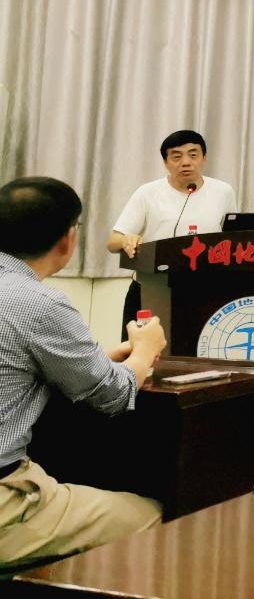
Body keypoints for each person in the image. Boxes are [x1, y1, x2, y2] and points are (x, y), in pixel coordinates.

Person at [0, 176, 168, 570]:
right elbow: (114, 395)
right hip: (6, 500)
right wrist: (146, 349)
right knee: (155, 515)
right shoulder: (38, 303)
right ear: (68, 239)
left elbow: (14, 363)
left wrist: (98, 356)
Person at [107, 130, 237, 338]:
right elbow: (113, 242)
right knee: (140, 350)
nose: (186, 162)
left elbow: (232, 238)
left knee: (198, 350)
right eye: (176, 156)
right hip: (151, 288)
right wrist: (126, 239)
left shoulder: (223, 191)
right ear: (165, 163)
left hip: (206, 289)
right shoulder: (148, 192)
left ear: (204, 158)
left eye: (193, 155)